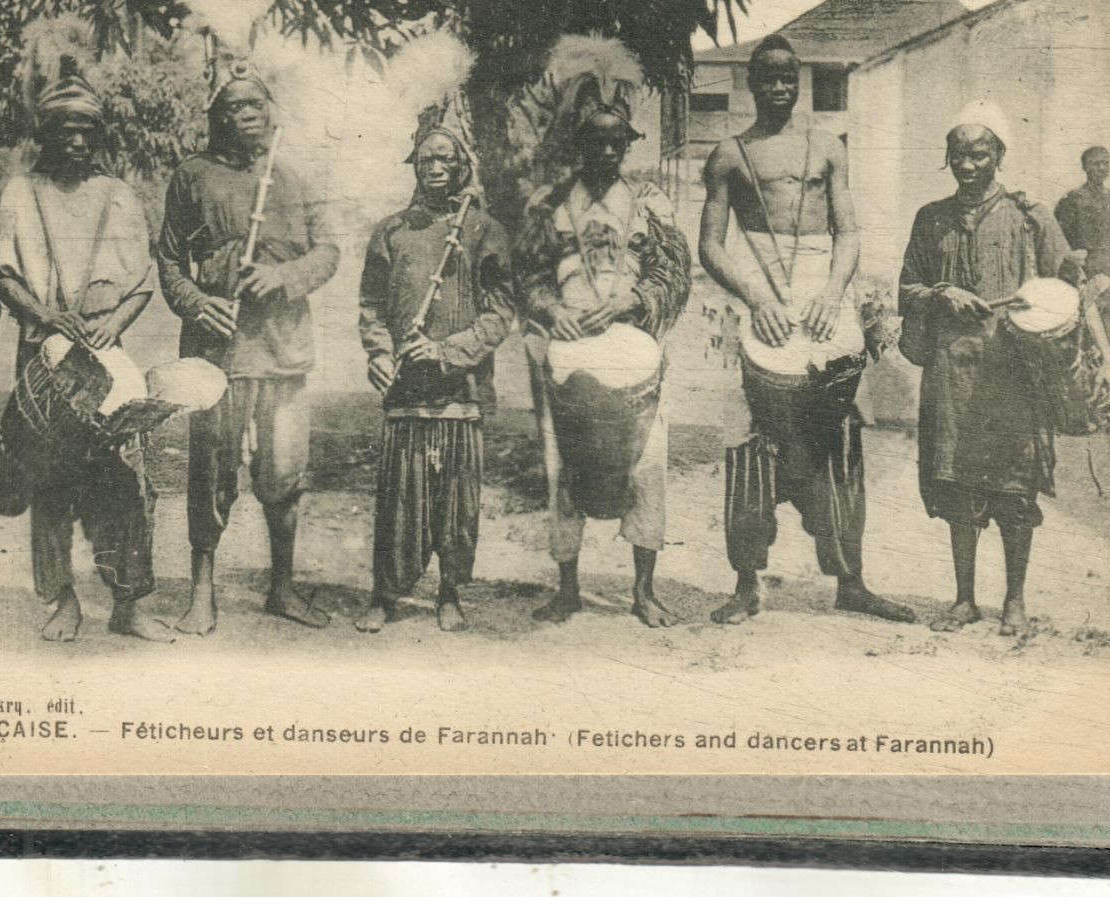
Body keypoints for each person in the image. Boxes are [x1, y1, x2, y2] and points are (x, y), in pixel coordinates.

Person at [697, 35, 914, 625]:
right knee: (748, 441)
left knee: (839, 436)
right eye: (766, 76)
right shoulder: (728, 155)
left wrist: (833, 293)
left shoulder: (828, 149)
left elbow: (848, 233)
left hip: (823, 295)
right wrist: (756, 297)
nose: (778, 86)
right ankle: (746, 583)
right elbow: (710, 245)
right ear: (750, 81)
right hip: (760, 291)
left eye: (788, 76)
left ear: (800, 81)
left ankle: (852, 581)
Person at [156, 63, 340, 636]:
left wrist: (284, 278)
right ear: (217, 119)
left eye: (253, 106)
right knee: (210, 471)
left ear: (270, 113)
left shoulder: (298, 176)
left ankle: (282, 589)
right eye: (231, 108)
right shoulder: (192, 176)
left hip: (282, 349)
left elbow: (329, 251)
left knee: (284, 472)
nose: (243, 117)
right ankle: (202, 592)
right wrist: (194, 302)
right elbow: (167, 259)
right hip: (218, 352)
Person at [0, 58, 170, 643]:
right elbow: (5, 277)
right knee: (49, 483)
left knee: (123, 480)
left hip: (103, 354)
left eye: (85, 130)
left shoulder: (119, 196)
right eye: (62, 129)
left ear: (99, 136)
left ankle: (128, 601)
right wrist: (46, 317)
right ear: (44, 134)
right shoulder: (20, 192)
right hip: (43, 355)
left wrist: (112, 324)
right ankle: (61, 600)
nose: (74, 140)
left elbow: (142, 282)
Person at [514, 52, 692, 628]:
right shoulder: (547, 205)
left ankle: (644, 590)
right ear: (579, 143)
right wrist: (549, 309)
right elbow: (528, 275)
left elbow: (674, 271)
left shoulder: (651, 203)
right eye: (597, 141)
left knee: (647, 467)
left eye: (618, 142)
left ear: (630, 145)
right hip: (568, 349)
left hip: (633, 343)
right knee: (561, 466)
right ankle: (567, 588)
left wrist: (633, 301)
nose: (608, 151)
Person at [898, 100, 1078, 636]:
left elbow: (1065, 289)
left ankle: (1015, 601)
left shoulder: (1031, 216)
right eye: (958, 155)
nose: (968, 165)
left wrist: (1040, 302)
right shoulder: (930, 219)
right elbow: (905, 288)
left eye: (979, 154)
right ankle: (963, 599)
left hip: (1013, 372)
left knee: (1013, 488)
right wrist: (941, 292)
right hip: (953, 373)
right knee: (956, 483)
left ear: (999, 154)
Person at [355, 102, 514, 633]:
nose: (436, 168)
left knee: (455, 501)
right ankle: (385, 593)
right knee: (399, 497)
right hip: (405, 390)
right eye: (427, 160)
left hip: (459, 390)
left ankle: (449, 592)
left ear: (463, 165)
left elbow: (499, 314)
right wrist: (379, 351)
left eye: (446, 159)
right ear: (415, 166)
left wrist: (448, 351)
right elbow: (372, 305)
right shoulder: (391, 231)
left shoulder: (484, 231)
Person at [1055, 145, 1110, 356]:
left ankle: (1108, 367)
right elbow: (1059, 242)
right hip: (1087, 274)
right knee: (1088, 329)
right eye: (1096, 163)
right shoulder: (1072, 199)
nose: (1102, 168)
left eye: (1106, 163)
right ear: (1085, 167)